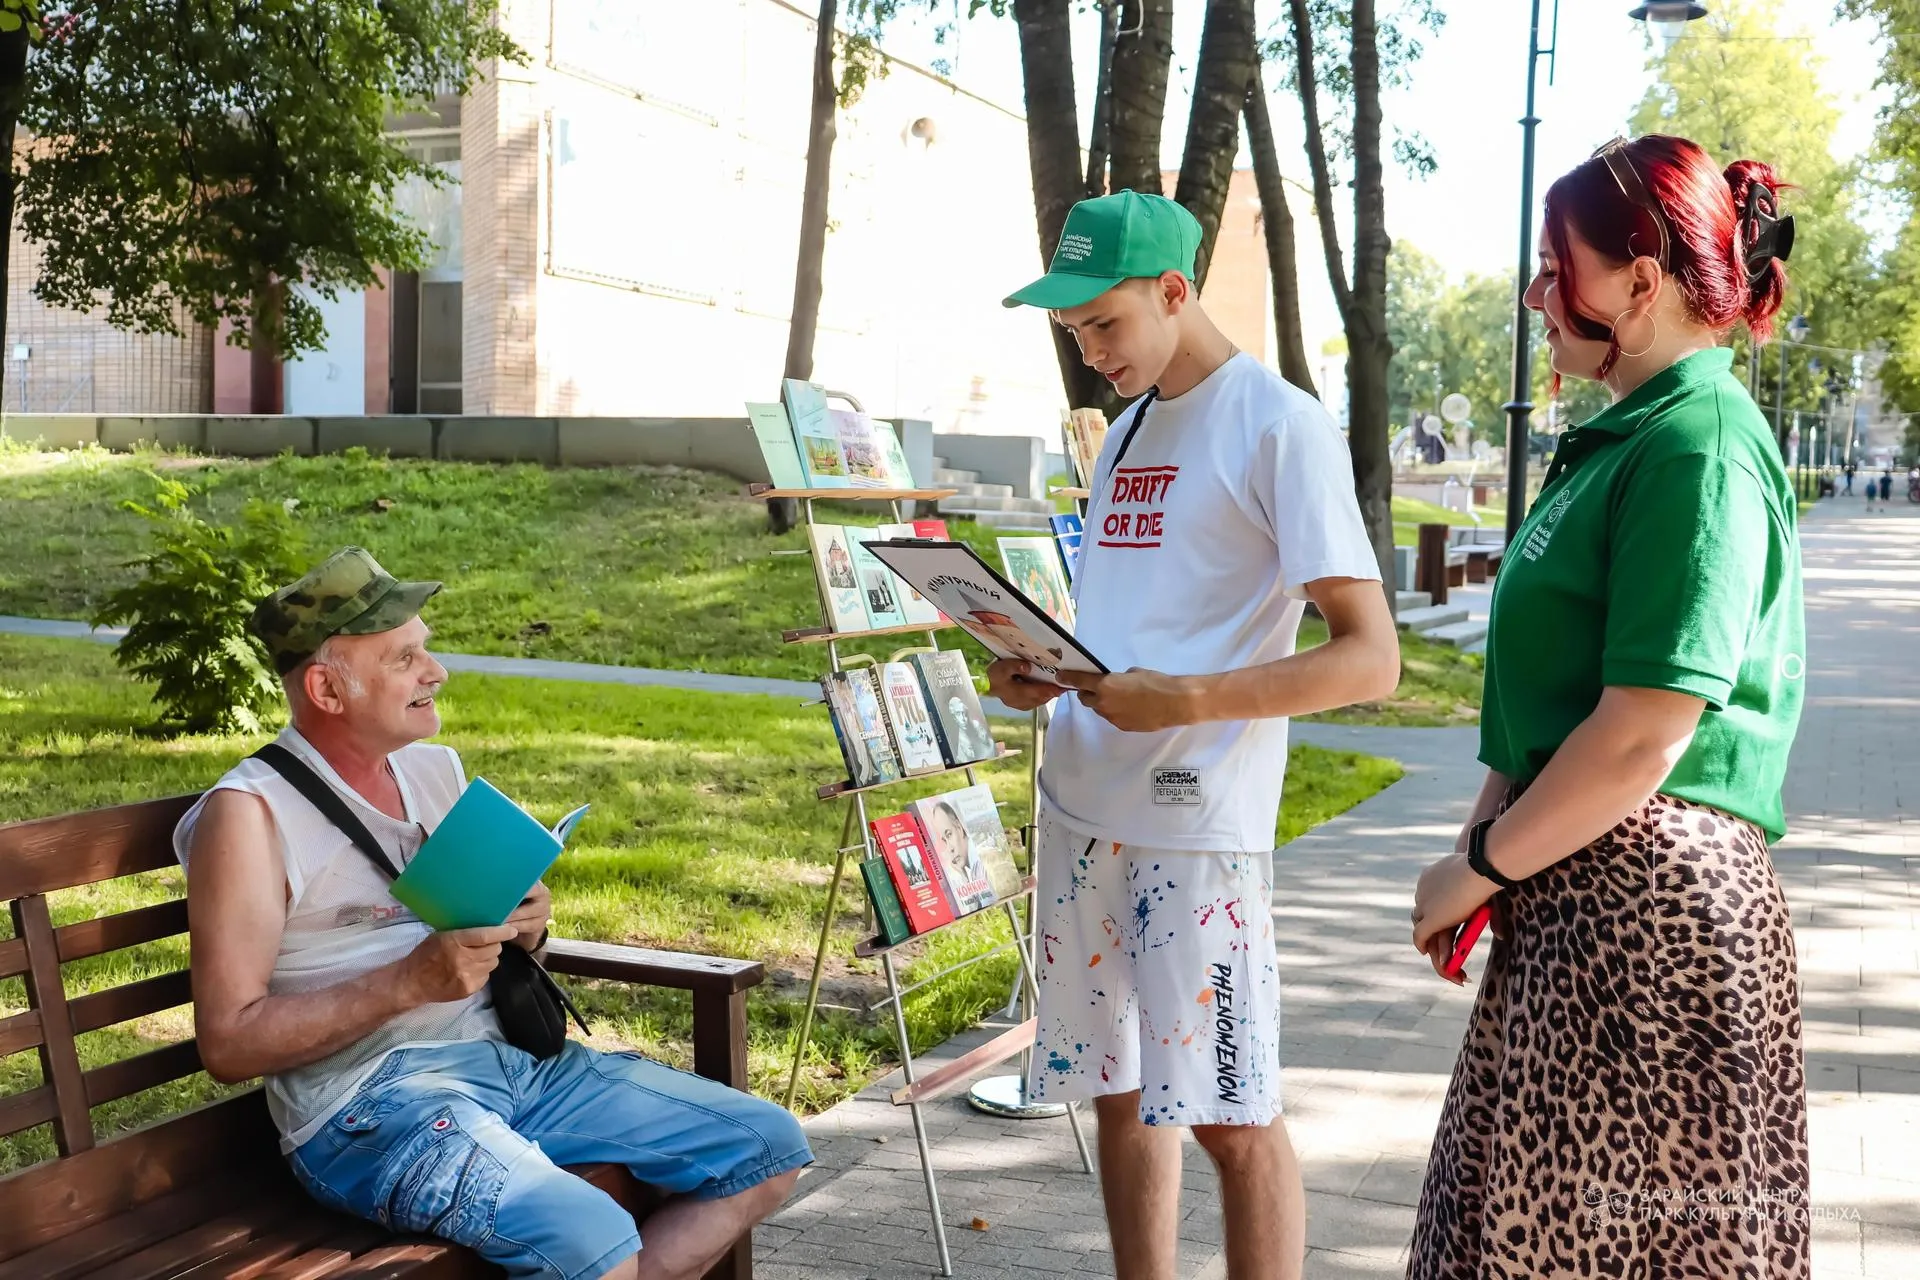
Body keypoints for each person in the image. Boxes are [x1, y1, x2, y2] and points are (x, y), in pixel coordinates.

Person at [179, 547, 811, 1280]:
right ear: (325, 687)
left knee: (767, 1149)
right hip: (368, 1112)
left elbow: (481, 947)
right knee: (598, 1242)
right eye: (404, 657)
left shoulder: (433, 770)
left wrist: (525, 924)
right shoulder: (248, 816)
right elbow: (228, 1044)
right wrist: (407, 982)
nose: (435, 670)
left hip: (509, 1067)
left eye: (426, 648)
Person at [1405, 135, 1809, 1278]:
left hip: (1654, 929)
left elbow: (1644, 727)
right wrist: (1481, 845)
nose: (1539, 290)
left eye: (1556, 262)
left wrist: (1480, 864)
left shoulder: (1702, 443)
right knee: (1511, 1240)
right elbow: (1551, 699)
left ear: (1640, 279)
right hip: (1575, 895)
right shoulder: (1623, 438)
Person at [991, 190, 1401, 1280]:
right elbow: (1131, 616)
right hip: (1083, 805)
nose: (1091, 352)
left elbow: (1372, 656)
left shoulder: (1280, 423)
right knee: (1120, 1091)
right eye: (1074, 333)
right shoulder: (1123, 431)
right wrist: (1051, 668)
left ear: (1177, 290)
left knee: (1230, 1108)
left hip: (1193, 826)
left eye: (1106, 324)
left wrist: (1189, 700)